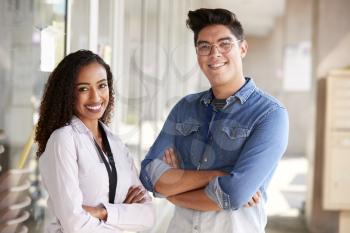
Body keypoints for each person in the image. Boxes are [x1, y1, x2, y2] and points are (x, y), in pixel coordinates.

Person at [140, 8, 289, 233]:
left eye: (224, 44)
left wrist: (173, 190)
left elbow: (234, 194)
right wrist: (217, 175)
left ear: (243, 48)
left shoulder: (270, 114)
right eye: (204, 46)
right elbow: (150, 176)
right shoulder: (185, 108)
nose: (214, 53)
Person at [35, 50, 154, 233]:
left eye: (101, 86)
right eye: (83, 88)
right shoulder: (64, 140)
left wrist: (102, 212)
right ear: (68, 93)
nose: (96, 97)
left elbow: (148, 216)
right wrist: (125, 217)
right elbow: (75, 225)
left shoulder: (116, 144)